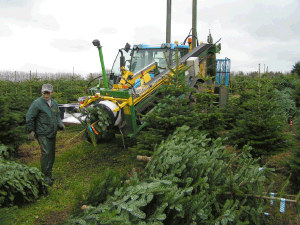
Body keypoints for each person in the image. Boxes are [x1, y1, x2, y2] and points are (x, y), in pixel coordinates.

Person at [26, 84, 65, 186]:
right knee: (46, 153)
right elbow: (30, 117)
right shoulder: (37, 103)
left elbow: (57, 115)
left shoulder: (54, 103)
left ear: (51, 93)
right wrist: (31, 130)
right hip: (42, 133)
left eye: (48, 93)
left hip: (52, 132)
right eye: (44, 93)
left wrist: (60, 124)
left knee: (51, 155)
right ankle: (45, 177)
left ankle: (49, 175)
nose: (46, 95)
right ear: (41, 92)